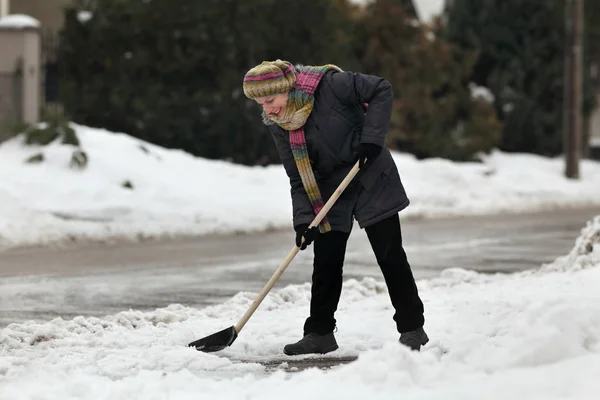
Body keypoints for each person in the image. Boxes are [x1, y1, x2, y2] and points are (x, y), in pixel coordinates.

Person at [242, 60, 428, 355]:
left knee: (389, 254)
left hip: (368, 173)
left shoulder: (330, 86)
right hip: (329, 189)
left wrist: (372, 140)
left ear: (286, 90)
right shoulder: (280, 125)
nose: (268, 109)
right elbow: (297, 177)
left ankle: (413, 329)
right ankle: (319, 333)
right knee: (326, 259)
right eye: (261, 104)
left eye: (271, 100)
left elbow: (381, 89)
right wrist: (304, 221)